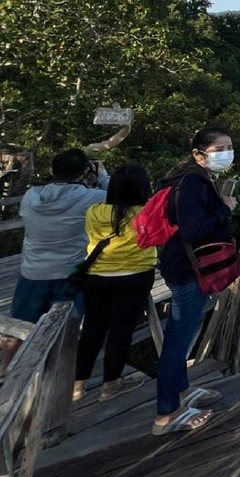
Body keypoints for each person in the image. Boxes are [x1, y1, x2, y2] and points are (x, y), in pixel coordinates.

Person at [0, 149, 108, 384]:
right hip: (71, 272)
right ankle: (58, 376)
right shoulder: (92, 198)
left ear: (52, 171)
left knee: (19, 323)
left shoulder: (32, 197)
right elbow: (119, 195)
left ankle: (4, 370)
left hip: (33, 271)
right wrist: (103, 174)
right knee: (68, 326)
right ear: (85, 171)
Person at [152, 128, 237, 435]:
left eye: (229, 147)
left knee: (183, 333)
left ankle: (183, 391)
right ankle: (166, 415)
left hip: (183, 266)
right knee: (177, 340)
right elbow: (191, 230)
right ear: (198, 154)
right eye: (219, 148)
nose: (226, 152)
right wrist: (224, 210)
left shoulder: (189, 177)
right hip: (189, 270)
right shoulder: (191, 182)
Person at [72, 164, 156, 403]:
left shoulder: (94, 211)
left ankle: (78, 386)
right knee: (121, 330)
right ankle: (110, 386)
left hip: (97, 277)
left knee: (92, 330)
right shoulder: (146, 214)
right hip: (135, 276)